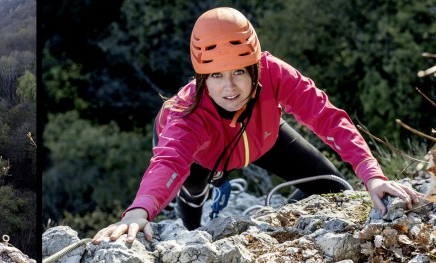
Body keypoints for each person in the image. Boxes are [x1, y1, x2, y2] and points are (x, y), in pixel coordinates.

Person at [93, 7, 423, 244]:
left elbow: (326, 115)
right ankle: (191, 232)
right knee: (193, 196)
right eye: (216, 76)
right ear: (201, 77)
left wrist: (373, 175)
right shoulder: (186, 115)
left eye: (239, 71)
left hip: (261, 136)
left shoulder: (273, 72)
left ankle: (287, 212)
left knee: (335, 187)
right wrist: (139, 212)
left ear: (255, 65)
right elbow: (168, 162)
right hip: (201, 156)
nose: (230, 88)